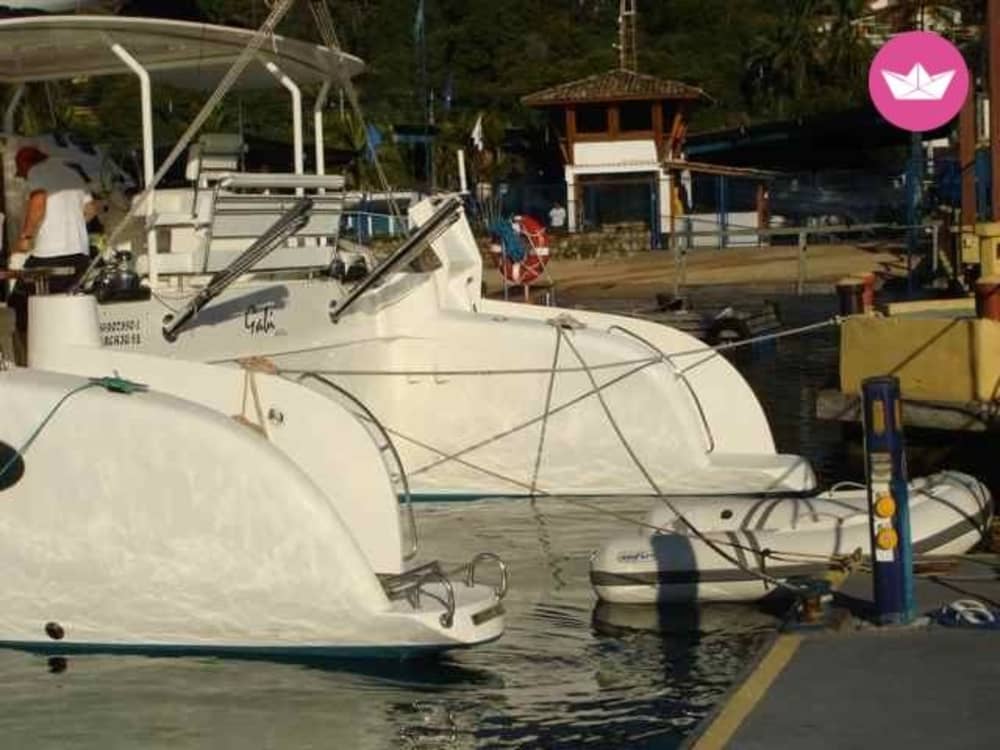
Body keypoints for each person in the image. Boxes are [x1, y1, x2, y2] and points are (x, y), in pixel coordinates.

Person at [7, 145, 98, 335]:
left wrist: (26, 237)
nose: (23, 177)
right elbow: (90, 210)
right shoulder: (72, 174)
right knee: (64, 302)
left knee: (17, 303)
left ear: (26, 165)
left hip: (50, 256)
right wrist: (69, 222)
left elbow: (38, 201)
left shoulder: (37, 171)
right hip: (80, 255)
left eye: (21, 172)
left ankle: (25, 353)